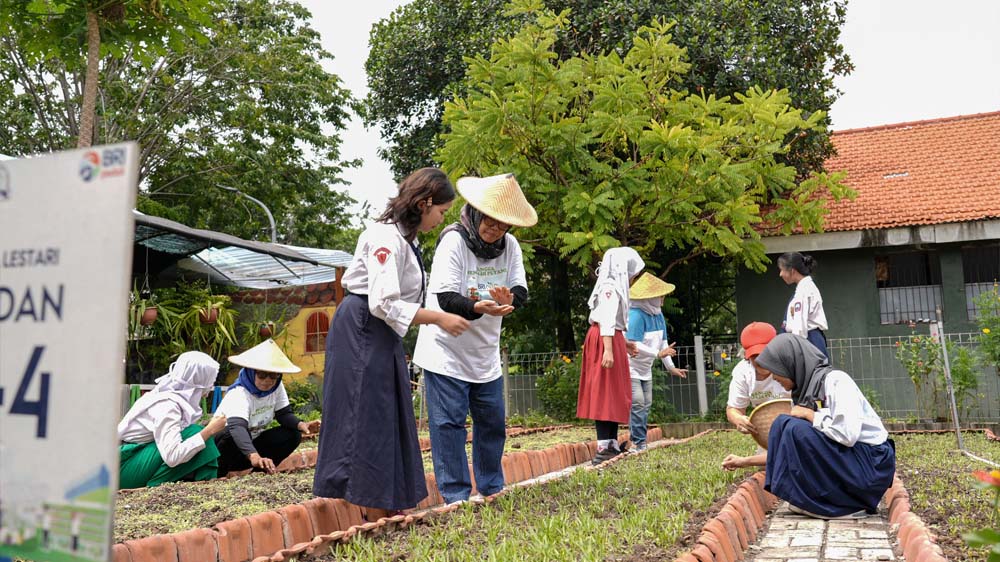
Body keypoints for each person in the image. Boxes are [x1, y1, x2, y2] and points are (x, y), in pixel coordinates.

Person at [314, 167, 471, 512]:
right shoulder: (386, 237)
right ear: (425, 202)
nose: (440, 219)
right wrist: (439, 319)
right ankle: (366, 503)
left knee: (387, 410)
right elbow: (383, 302)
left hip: (379, 332)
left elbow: (412, 294)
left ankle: (387, 498)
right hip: (361, 327)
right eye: (441, 212)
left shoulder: (407, 240)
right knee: (365, 411)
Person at [412, 173, 536, 505]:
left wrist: (510, 299)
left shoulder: (509, 247)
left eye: (502, 226)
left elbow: (520, 290)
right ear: (476, 213)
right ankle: (455, 496)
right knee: (449, 424)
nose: (494, 231)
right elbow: (444, 298)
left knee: (492, 422)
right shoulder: (453, 240)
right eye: (489, 223)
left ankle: (492, 487)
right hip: (445, 350)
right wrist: (478, 307)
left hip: (484, 353)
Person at [721, 334, 895, 519]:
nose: (774, 378)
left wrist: (811, 415)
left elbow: (848, 434)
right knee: (783, 424)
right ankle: (818, 500)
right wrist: (744, 461)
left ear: (790, 364)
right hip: (855, 463)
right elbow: (788, 451)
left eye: (777, 371)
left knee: (793, 427)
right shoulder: (807, 391)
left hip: (870, 466)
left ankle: (846, 506)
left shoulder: (836, 380)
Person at [117, 351, 227, 488]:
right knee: (196, 433)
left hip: (131, 460)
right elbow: (172, 457)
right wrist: (209, 431)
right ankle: (199, 486)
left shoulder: (169, 398)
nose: (211, 387)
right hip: (123, 466)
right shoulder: (168, 406)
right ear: (200, 382)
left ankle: (204, 485)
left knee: (196, 433)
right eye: (210, 382)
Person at [577, 247, 645, 465]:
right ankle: (604, 445)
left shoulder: (613, 287)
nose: (634, 277)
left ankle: (612, 444)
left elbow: (611, 322)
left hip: (610, 338)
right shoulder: (610, 287)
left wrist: (622, 344)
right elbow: (605, 318)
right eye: (633, 273)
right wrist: (608, 349)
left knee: (613, 393)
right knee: (605, 393)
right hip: (604, 339)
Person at [214, 339, 319, 476]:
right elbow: (237, 428)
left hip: (250, 446)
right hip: (223, 451)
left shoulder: (276, 387)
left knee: (292, 435)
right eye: (262, 375)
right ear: (251, 372)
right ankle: (218, 474)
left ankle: (260, 472)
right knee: (230, 435)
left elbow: (284, 414)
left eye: (273, 375)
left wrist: (301, 425)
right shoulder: (239, 393)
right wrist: (254, 456)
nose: (267, 380)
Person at [625, 272, 687, 452]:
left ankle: (638, 440)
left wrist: (671, 368)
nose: (663, 298)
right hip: (631, 368)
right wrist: (658, 354)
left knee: (646, 405)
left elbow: (664, 344)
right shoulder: (636, 315)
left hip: (646, 368)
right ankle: (638, 442)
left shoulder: (658, 315)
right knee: (637, 403)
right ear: (650, 297)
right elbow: (634, 344)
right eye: (660, 295)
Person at [725, 322, 788, 435]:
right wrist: (739, 420)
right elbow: (733, 409)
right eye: (755, 355)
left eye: (766, 353)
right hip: (766, 429)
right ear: (746, 356)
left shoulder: (790, 364)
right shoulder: (742, 372)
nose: (762, 360)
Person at [778, 252, 828, 358]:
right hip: (808, 340)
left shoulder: (804, 291)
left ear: (792, 271)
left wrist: (795, 353)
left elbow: (799, 327)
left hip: (808, 341)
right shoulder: (805, 288)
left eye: (782, 269)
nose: (780, 274)